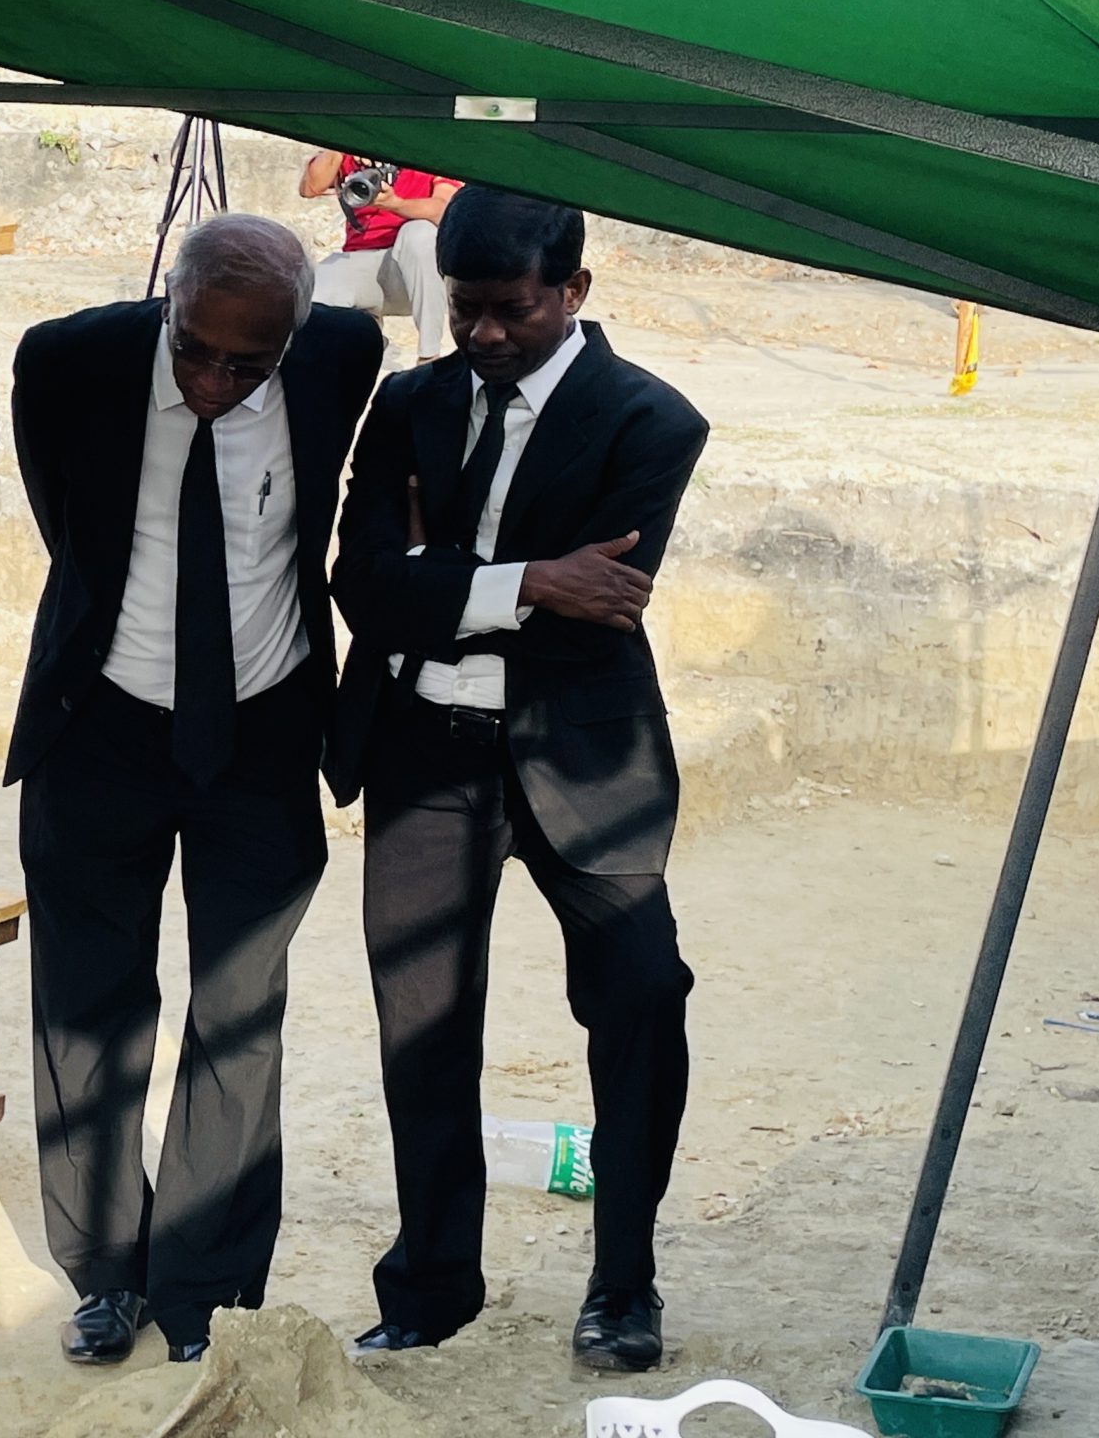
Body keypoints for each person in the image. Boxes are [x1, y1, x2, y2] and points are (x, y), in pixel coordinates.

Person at [323, 187, 709, 1372]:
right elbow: (360, 584)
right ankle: (430, 1286)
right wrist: (529, 578)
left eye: (511, 310)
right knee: (423, 1026)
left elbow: (605, 608)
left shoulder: (650, 420)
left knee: (641, 999)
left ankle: (623, 1286)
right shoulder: (409, 402)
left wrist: (442, 572)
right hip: (421, 747)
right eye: (465, 309)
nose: (484, 333)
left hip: (584, 753)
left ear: (572, 291)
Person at [5, 215, 381, 1366]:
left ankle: (202, 1289)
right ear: (166, 302)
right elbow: (67, 529)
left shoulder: (342, 357)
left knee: (239, 1011)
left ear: (293, 340)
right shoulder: (67, 361)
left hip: (263, 730)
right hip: (99, 722)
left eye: (246, 364)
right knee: (87, 1004)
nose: (213, 382)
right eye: (193, 351)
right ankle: (103, 1272)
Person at [299, 151, 460, 364]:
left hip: (413, 270)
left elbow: (444, 210)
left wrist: (395, 204)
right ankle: (365, 338)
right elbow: (309, 188)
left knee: (420, 233)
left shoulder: (430, 150)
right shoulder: (350, 151)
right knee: (314, 286)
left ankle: (429, 355)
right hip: (361, 261)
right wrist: (343, 145)